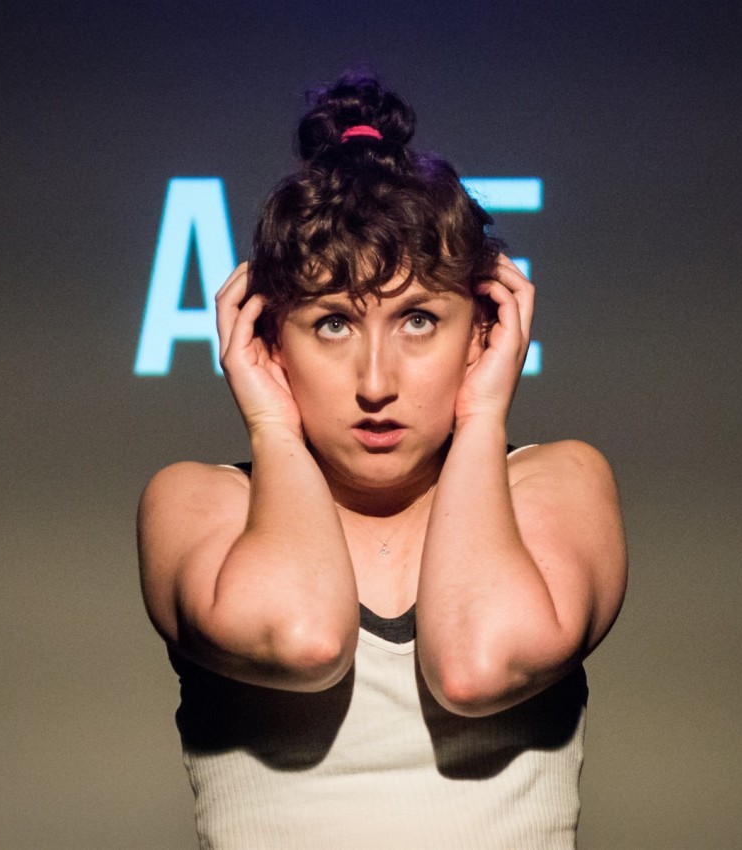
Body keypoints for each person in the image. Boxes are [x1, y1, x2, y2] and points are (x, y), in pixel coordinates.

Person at [137, 71, 627, 850]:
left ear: (485, 330)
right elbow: (303, 638)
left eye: (420, 320)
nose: (376, 383)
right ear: (266, 339)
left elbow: (478, 666)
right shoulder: (201, 503)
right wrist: (269, 422)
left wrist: (483, 414)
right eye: (332, 324)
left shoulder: (556, 482)